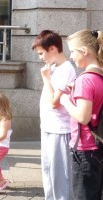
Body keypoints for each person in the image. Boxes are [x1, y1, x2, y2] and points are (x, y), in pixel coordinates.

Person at [31, 30, 76, 200]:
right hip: (51, 127)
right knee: (49, 172)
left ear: (52, 49)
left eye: (42, 53)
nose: (41, 57)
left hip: (59, 129)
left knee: (59, 176)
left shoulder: (65, 69)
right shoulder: (57, 68)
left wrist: (46, 79)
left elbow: (54, 102)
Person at [60, 30, 103, 200]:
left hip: (85, 148)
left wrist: (65, 100)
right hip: (98, 145)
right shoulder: (99, 76)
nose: (71, 56)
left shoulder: (85, 80)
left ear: (84, 51)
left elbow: (83, 117)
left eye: (72, 51)